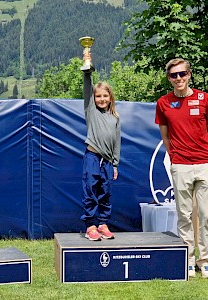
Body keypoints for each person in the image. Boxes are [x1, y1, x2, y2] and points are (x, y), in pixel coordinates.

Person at [155, 58, 208, 278]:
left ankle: (206, 260)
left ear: (189, 74)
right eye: (174, 75)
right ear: (169, 79)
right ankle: (189, 259)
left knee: (207, 214)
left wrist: (200, 153)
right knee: (184, 215)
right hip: (180, 165)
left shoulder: (204, 99)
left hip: (204, 165)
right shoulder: (163, 103)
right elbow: (165, 136)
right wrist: (177, 157)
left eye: (182, 74)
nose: (179, 78)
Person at [80, 51, 121, 241]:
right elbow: (88, 87)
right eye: (98, 96)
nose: (102, 99)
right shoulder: (91, 111)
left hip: (107, 162)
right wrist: (87, 68)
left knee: (105, 193)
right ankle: (91, 226)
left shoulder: (114, 117)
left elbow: (116, 141)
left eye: (105, 96)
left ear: (110, 97)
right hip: (92, 157)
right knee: (91, 192)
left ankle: (103, 224)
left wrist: (115, 164)